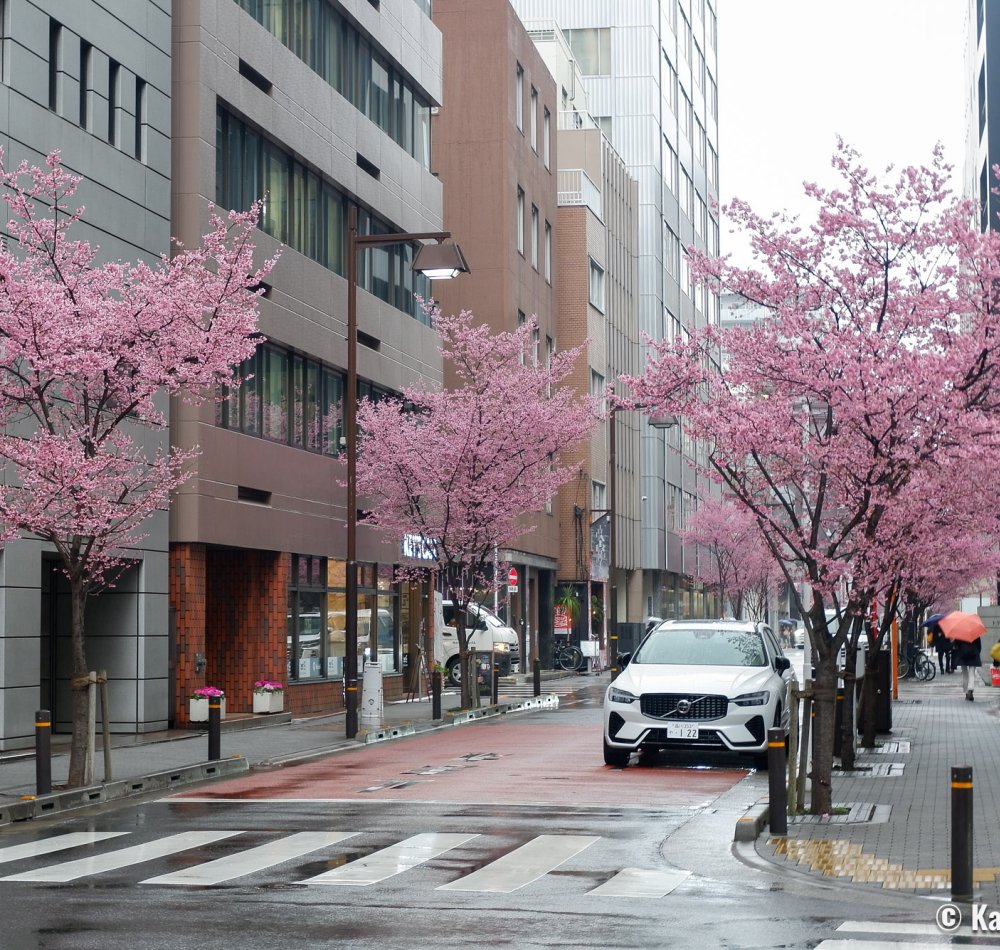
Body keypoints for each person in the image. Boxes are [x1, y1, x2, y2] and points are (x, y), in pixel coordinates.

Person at [954, 636, 982, 701]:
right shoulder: (975, 634)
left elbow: (956, 645)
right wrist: (976, 652)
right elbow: (979, 646)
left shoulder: (960, 634)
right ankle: (970, 689)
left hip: (962, 656)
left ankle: (966, 692)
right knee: (972, 673)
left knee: (965, 674)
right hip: (973, 655)